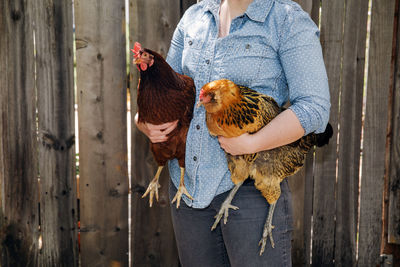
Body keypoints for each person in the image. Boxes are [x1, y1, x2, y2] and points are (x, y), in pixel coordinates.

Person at [135, 0, 330, 266]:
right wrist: (144, 121)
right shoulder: (195, 17)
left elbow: (314, 108)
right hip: (188, 189)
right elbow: (166, 87)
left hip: (252, 189)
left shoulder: (286, 20)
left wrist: (253, 143)